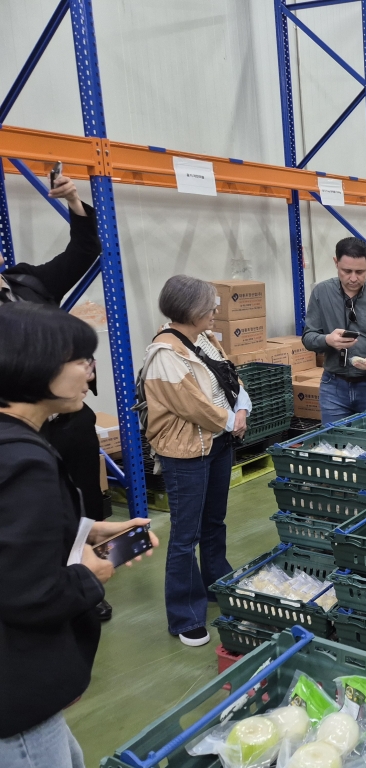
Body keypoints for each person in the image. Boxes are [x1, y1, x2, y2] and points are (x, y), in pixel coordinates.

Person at [0, 302, 156, 767]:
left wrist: (88, 530)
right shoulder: (23, 460)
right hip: (16, 692)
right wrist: (93, 573)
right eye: (81, 362)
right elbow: (29, 594)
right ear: (35, 364)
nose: (90, 377)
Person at [0, 174, 114, 619]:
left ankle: (85, 585)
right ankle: (56, 594)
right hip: (18, 432)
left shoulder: (26, 284)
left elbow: (85, 251)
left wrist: (72, 200)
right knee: (34, 522)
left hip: (67, 423)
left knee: (80, 501)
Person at [140, 275, 251, 647]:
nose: (215, 311)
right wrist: (229, 420)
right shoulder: (165, 355)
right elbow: (194, 405)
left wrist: (242, 408)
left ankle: (216, 582)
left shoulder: (203, 339)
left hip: (218, 443)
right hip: (187, 452)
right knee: (185, 535)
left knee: (214, 522)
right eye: (210, 306)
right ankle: (185, 614)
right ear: (190, 311)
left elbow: (227, 376)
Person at [303, 237, 366, 421]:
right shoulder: (321, 293)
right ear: (336, 262)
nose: (354, 278)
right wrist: (327, 340)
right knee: (334, 445)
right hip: (333, 387)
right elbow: (308, 337)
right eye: (346, 271)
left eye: (360, 271)